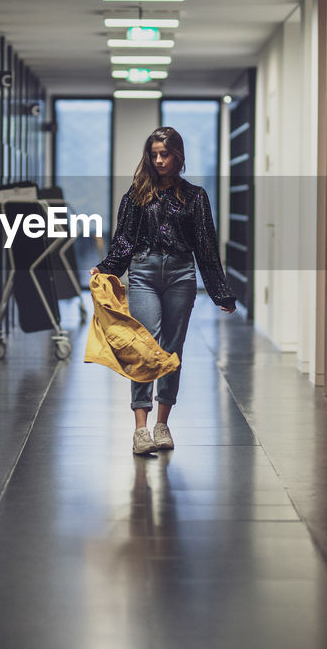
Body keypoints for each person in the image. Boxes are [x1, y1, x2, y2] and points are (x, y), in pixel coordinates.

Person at [91, 126, 237, 455]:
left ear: (178, 156)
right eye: (154, 154)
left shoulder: (195, 197)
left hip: (181, 274)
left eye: (165, 154)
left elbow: (206, 247)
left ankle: (162, 424)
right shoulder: (137, 194)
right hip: (143, 271)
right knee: (144, 344)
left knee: (172, 348)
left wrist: (220, 292)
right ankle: (140, 429)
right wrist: (107, 268)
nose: (158, 160)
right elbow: (124, 241)